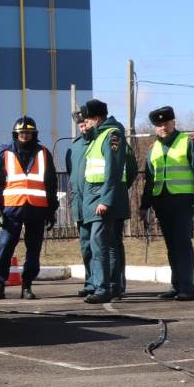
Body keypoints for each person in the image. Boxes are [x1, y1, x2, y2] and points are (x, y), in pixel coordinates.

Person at [139, 105, 194, 301]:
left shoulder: (188, 142)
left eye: (166, 123)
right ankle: (176, 285)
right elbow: (149, 180)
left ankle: (187, 287)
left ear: (174, 123)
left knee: (182, 244)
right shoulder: (152, 149)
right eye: (159, 124)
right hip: (161, 201)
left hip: (182, 201)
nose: (163, 127)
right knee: (172, 245)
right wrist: (144, 206)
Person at [0, 116, 59, 300]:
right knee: (5, 247)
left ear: (34, 134)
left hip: (37, 209)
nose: (24, 135)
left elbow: (51, 184)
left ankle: (27, 285)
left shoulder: (44, 153)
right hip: (11, 209)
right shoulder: (4, 153)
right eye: (21, 132)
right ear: (15, 134)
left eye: (28, 132)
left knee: (33, 250)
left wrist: (52, 211)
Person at [75, 99, 129, 304]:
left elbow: (113, 170)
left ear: (96, 118)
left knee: (100, 245)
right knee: (107, 244)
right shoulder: (98, 137)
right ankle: (112, 286)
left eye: (87, 119)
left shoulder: (111, 135)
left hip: (101, 198)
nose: (85, 123)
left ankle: (103, 287)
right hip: (93, 197)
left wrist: (105, 199)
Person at [66, 109, 95, 297]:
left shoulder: (101, 142)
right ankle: (90, 282)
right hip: (80, 205)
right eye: (80, 124)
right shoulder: (74, 148)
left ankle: (109, 283)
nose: (83, 127)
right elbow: (72, 177)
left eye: (86, 123)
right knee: (86, 246)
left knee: (102, 246)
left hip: (97, 204)